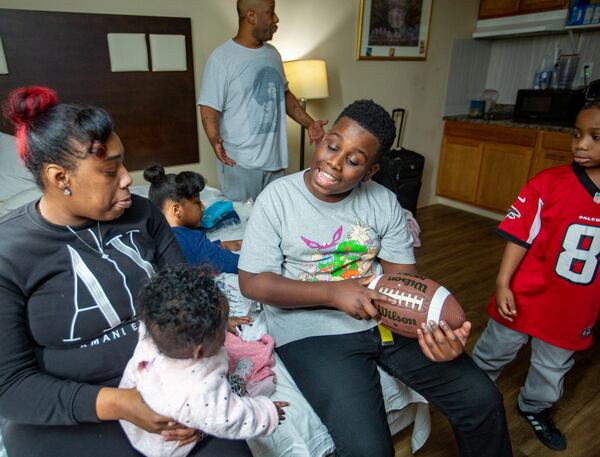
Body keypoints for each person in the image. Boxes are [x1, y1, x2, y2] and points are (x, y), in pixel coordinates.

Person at [238, 99, 513, 457]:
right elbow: (253, 283)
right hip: (312, 332)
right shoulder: (277, 198)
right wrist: (333, 294)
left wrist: (432, 329)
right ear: (320, 139)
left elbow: (404, 280)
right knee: (369, 450)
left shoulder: (384, 202)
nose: (334, 163)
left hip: (385, 320)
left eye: (353, 161)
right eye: (332, 145)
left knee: (482, 398)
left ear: (369, 171)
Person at [0, 86, 253, 457]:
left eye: (123, 163)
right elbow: (9, 386)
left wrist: (195, 374)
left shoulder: (142, 214)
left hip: (174, 379)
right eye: (109, 170)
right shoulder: (9, 253)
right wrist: (121, 404)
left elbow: (187, 294)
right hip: (81, 405)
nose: (126, 179)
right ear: (59, 178)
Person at [472, 99, 600, 451]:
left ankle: (534, 407)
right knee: (493, 351)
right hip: (524, 294)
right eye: (577, 134)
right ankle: (469, 396)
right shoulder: (549, 182)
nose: (581, 144)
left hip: (575, 307)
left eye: (595, 137)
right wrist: (502, 283)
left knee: (552, 367)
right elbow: (518, 236)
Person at [120, 264, 287, 457]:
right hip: (168, 443)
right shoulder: (201, 389)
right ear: (199, 351)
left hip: (141, 418)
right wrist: (267, 413)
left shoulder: (153, 333)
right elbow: (231, 418)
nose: (225, 331)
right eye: (222, 328)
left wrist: (221, 322)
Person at [198, 0, 328, 202]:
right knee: (243, 226)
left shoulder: (273, 54)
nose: (276, 19)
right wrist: (214, 139)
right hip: (240, 163)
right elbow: (208, 106)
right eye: (271, 13)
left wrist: (310, 124)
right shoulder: (222, 58)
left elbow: (283, 94)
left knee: (274, 223)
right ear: (251, 16)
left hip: (275, 161)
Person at [144, 164, 241, 273]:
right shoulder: (193, 239)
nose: (203, 207)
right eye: (197, 202)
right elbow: (242, 265)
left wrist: (220, 245)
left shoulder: (150, 233)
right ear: (176, 210)